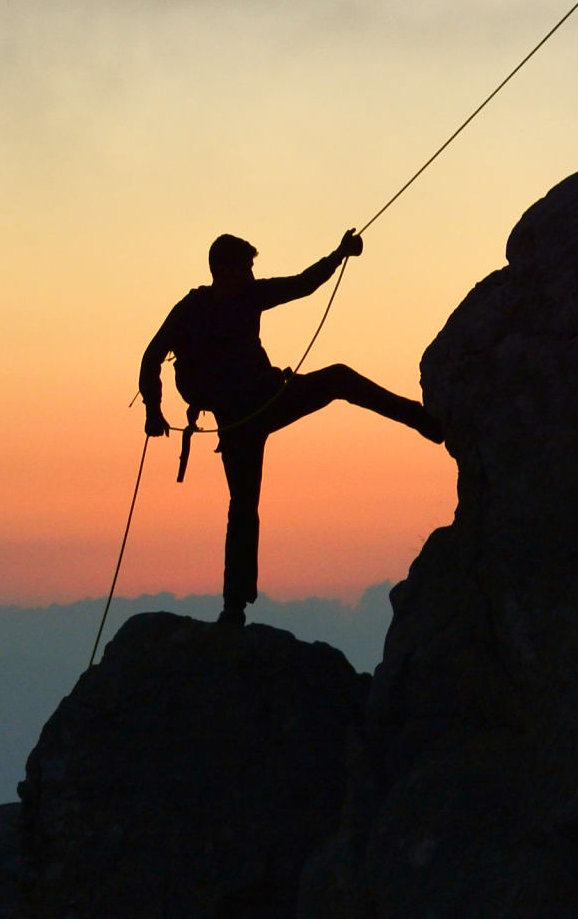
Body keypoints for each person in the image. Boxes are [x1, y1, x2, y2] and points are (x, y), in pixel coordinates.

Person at [138, 232, 445, 627]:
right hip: (248, 415)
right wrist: (152, 410)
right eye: (246, 268)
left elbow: (302, 284)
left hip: (254, 410)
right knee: (245, 502)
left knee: (245, 501)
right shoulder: (203, 306)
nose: (251, 275)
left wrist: (339, 255)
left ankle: (234, 606)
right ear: (225, 270)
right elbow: (152, 356)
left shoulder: (225, 300)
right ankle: (234, 605)